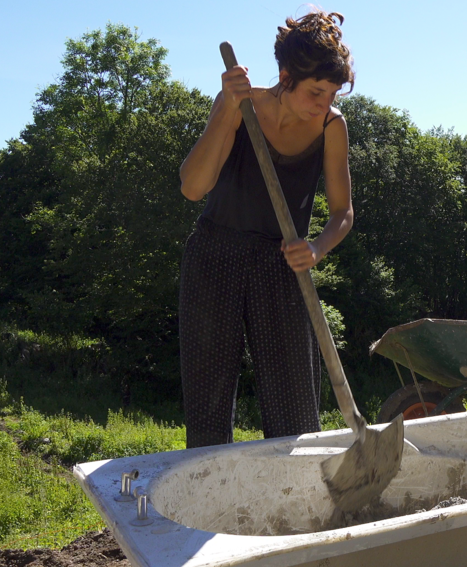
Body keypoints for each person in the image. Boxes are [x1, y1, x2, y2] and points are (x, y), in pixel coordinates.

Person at [178, 10, 354, 448]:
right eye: (316, 91)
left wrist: (316, 249)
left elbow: (342, 214)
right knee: (208, 402)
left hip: (282, 263)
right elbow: (193, 187)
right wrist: (226, 111)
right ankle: (208, 502)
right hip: (214, 254)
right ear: (285, 74)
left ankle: (296, 505)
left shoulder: (332, 127)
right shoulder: (241, 105)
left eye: (331, 93)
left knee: (294, 408)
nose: (324, 103)